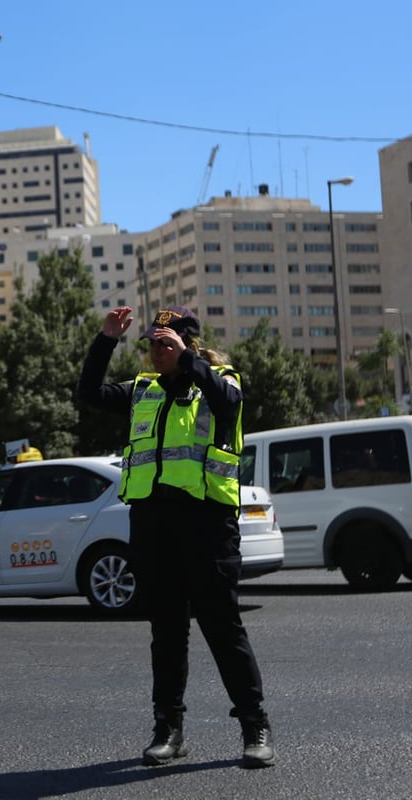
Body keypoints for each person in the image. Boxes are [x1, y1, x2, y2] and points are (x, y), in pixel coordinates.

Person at [78, 306, 275, 769]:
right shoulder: (142, 390)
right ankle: (168, 729)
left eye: (165, 343)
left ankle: (255, 725)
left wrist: (190, 361)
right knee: (166, 632)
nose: (155, 351)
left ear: (187, 344)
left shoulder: (221, 381)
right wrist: (105, 340)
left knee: (223, 628)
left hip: (207, 524)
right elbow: (89, 394)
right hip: (153, 524)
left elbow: (227, 406)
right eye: (152, 343)